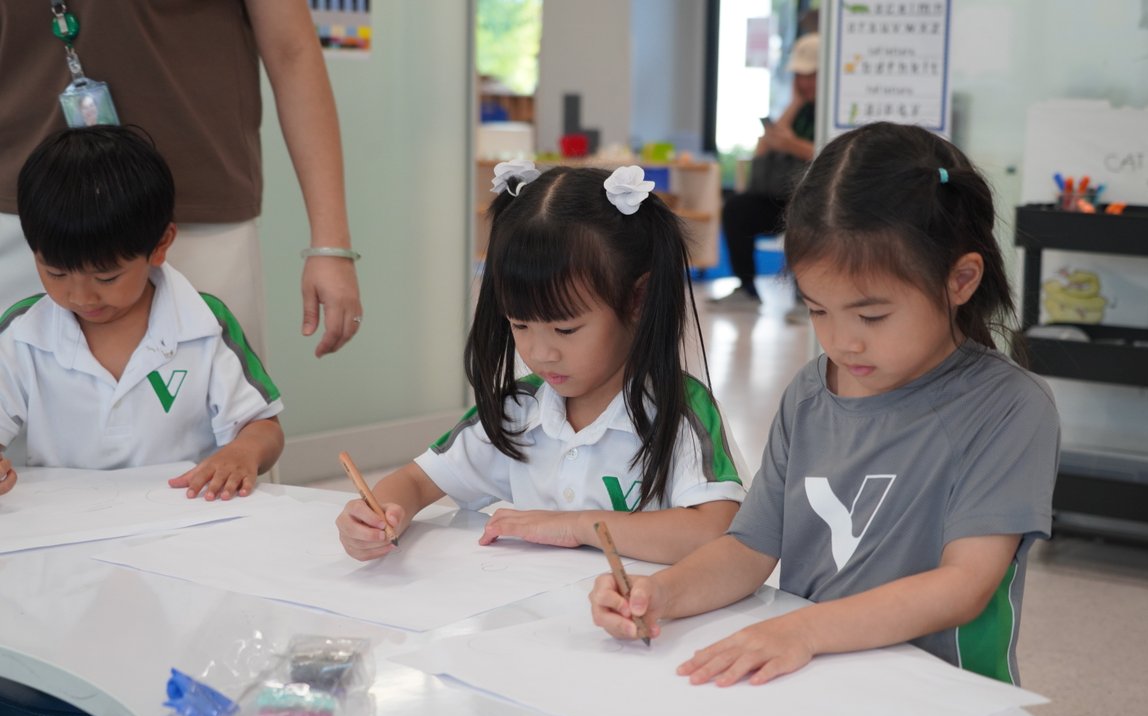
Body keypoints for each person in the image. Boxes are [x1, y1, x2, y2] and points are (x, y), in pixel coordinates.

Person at [591, 122, 1061, 687]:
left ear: (960, 279)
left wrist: (804, 631)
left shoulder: (1008, 407)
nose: (843, 341)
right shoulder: (813, 391)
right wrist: (661, 594)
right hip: (816, 682)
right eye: (818, 310)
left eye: (872, 316)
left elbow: (962, 587)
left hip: (942, 695)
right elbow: (748, 547)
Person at [337, 161, 748, 564]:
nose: (540, 352)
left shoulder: (678, 411)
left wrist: (575, 526)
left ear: (637, 299)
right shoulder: (518, 410)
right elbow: (414, 480)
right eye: (520, 324)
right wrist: (379, 514)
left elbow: (717, 532)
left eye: (565, 330)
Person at [0, 0, 361, 358]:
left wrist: (330, 247)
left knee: (219, 410)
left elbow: (292, 51)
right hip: (22, 218)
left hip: (195, 213)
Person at [0, 126, 285, 501]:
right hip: (65, 525)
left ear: (161, 244)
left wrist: (242, 452)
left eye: (106, 276)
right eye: (55, 273)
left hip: (184, 518)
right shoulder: (22, 331)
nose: (81, 295)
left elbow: (263, 426)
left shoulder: (204, 323)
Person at [709, 32, 819, 311]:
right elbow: (766, 147)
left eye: (810, 75)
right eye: (800, 76)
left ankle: (804, 295)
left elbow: (827, 153)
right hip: (779, 193)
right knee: (736, 209)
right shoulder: (802, 110)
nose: (804, 82)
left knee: (805, 214)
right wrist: (794, 105)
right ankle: (746, 289)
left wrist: (791, 144)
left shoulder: (831, 109)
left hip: (812, 197)